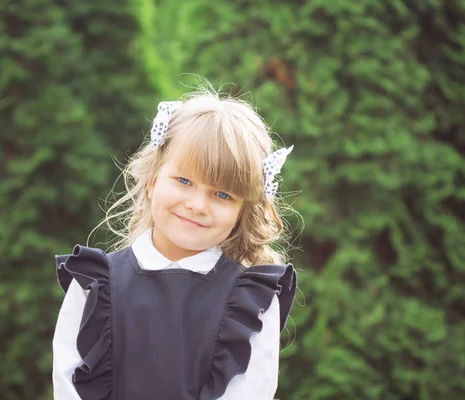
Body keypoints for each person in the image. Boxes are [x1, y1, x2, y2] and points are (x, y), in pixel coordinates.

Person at [52, 85, 298, 400]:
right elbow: (69, 384)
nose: (197, 204)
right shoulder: (94, 285)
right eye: (184, 181)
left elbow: (250, 392)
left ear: (242, 212)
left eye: (222, 194)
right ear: (153, 181)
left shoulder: (253, 300)